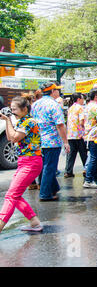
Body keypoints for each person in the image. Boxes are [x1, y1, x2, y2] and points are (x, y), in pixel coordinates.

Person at [0, 97, 44, 233]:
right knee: (14, 194)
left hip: (31, 162)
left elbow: (14, 137)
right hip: (24, 161)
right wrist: (8, 120)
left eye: (14, 109)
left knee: (11, 195)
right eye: (11, 109)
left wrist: (8, 120)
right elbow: (9, 137)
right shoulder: (22, 121)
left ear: (24, 109)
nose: (12, 112)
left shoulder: (29, 122)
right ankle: (34, 222)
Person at [31, 82, 70, 201]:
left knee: (45, 166)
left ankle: (53, 188)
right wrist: (65, 142)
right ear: (53, 91)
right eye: (57, 90)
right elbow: (60, 124)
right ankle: (45, 193)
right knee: (50, 167)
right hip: (52, 141)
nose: (59, 92)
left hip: (39, 140)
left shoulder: (35, 104)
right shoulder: (54, 105)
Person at [83, 88, 97, 189]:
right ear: (96, 97)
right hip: (95, 136)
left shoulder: (87, 106)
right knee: (94, 158)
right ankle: (88, 180)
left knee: (94, 158)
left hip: (88, 135)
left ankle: (96, 180)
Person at [65, 93, 88, 178]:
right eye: (82, 99)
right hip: (79, 134)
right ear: (78, 99)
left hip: (70, 134)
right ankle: (86, 170)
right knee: (83, 153)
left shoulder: (70, 108)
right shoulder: (80, 108)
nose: (83, 100)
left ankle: (68, 171)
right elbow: (81, 121)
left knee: (71, 154)